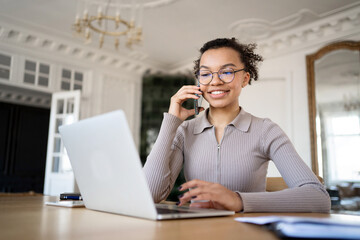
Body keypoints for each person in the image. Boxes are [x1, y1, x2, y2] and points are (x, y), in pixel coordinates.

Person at [143, 38, 330, 213]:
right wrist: (171, 122)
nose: (215, 81)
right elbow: (149, 195)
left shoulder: (266, 130)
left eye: (227, 72)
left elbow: (318, 197)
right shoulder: (184, 131)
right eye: (206, 74)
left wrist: (238, 200)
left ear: (245, 79)